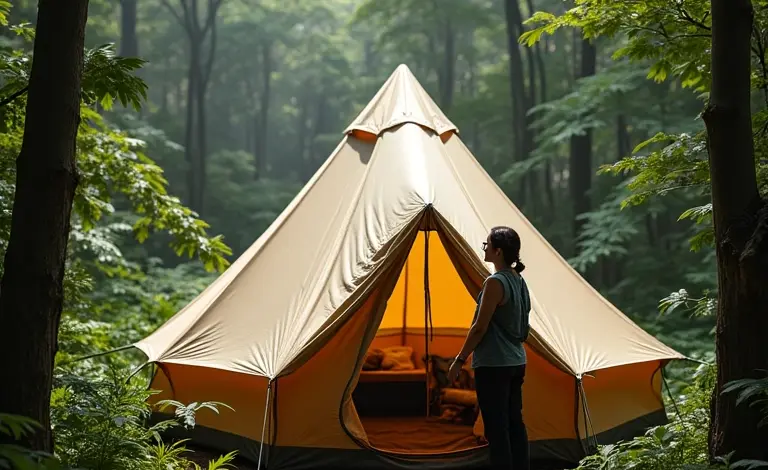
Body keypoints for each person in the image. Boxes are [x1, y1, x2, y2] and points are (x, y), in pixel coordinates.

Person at [447, 226, 531, 470]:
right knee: (515, 423)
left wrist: (459, 359)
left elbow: (479, 328)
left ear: (498, 251)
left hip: (494, 364)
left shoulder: (495, 283)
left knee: (496, 428)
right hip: (516, 361)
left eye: (487, 245)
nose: (484, 248)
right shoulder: (519, 280)